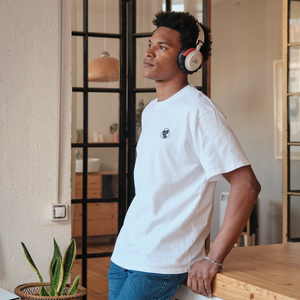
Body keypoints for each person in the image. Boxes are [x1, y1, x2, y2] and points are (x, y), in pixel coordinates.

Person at [108, 11, 261, 300]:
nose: (149, 51)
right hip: (126, 253)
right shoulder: (152, 110)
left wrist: (213, 258)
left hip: (161, 262)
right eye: (150, 44)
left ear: (189, 59)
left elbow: (247, 185)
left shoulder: (201, 112)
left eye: (162, 46)